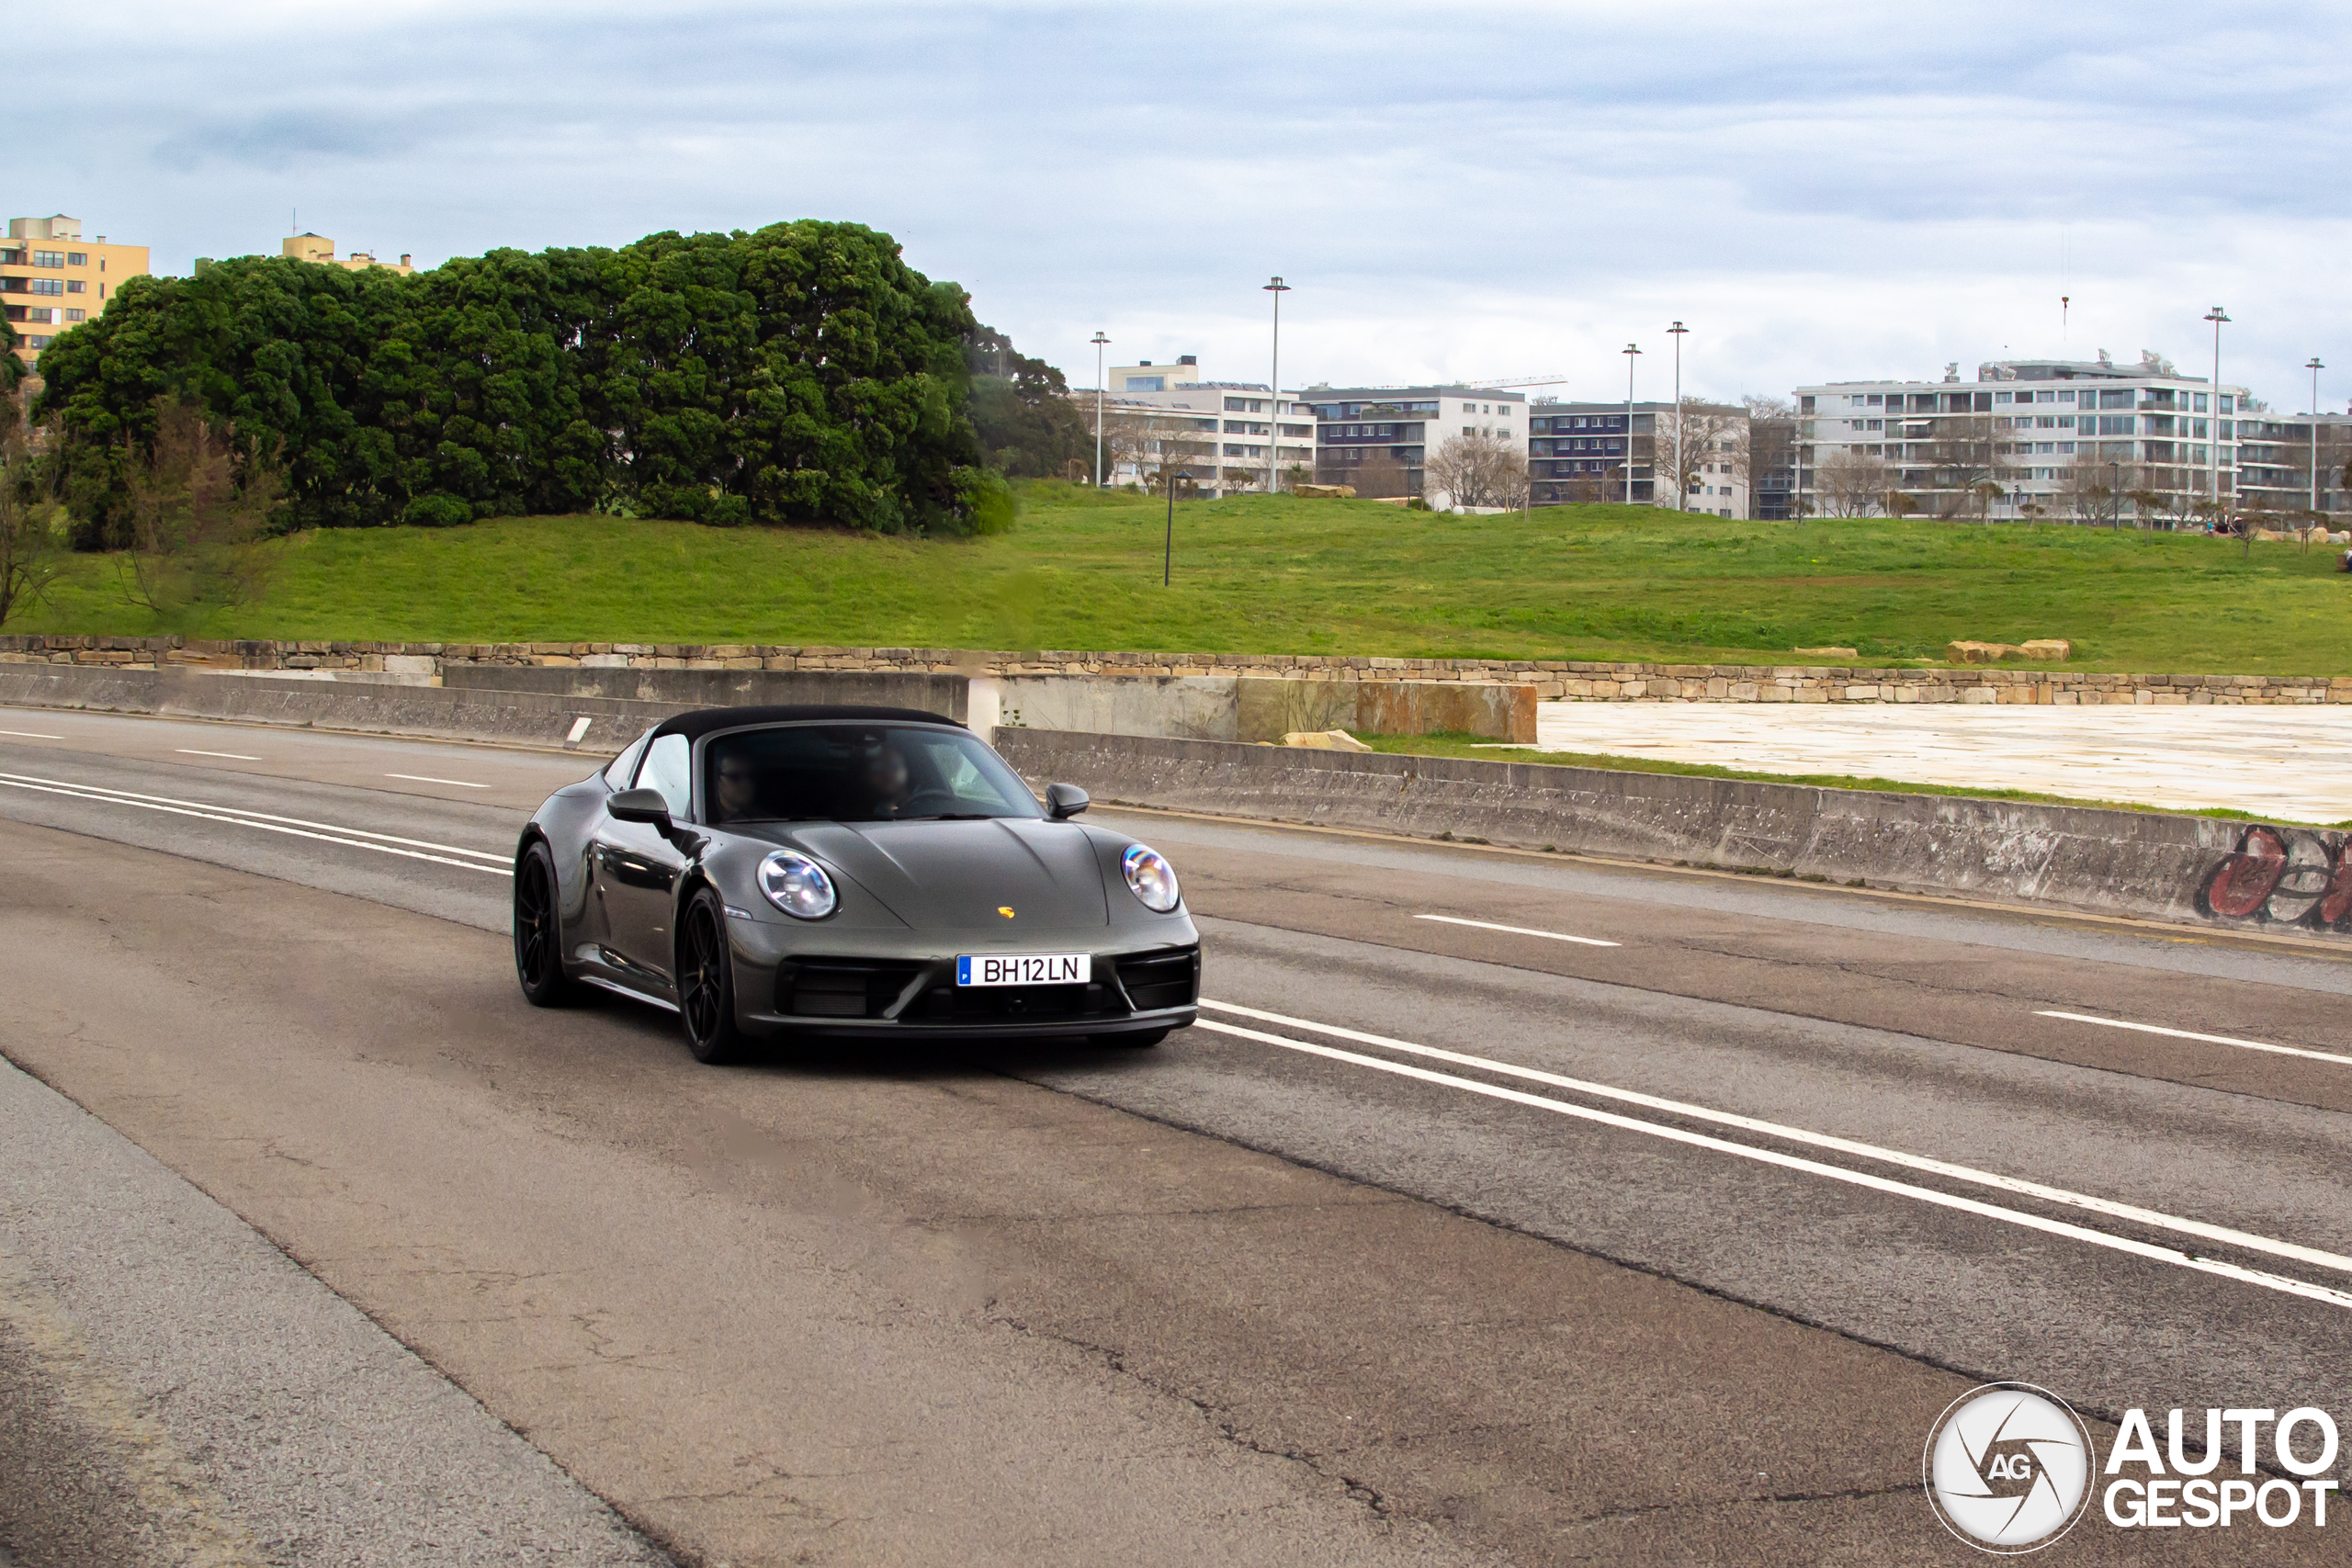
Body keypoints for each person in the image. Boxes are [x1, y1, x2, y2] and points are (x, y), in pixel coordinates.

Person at [712, 755, 761, 822]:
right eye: (734, 776)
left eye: (751, 775)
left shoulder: (765, 818)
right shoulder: (708, 817)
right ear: (717, 780)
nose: (745, 783)